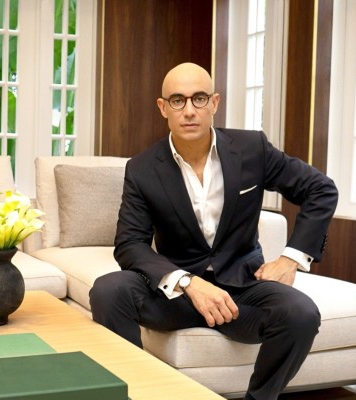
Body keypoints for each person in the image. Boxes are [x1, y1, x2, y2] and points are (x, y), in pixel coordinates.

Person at [90, 62, 338, 400]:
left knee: (301, 313)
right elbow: (130, 244)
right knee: (109, 290)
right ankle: (133, 394)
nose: (189, 110)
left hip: (241, 291)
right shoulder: (143, 168)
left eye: (199, 98)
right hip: (176, 295)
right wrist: (189, 283)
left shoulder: (252, 149)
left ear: (214, 103)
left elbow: (321, 189)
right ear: (163, 108)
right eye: (177, 100)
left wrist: (290, 259)